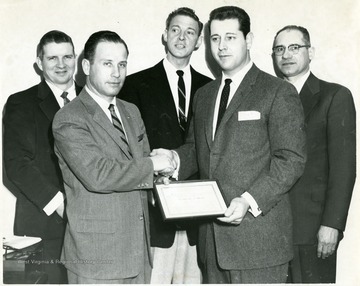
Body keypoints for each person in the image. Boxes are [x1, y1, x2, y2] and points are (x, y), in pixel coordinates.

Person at [152, 6, 307, 284]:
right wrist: (174, 160)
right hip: (211, 244)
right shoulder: (204, 94)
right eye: (214, 39)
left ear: (248, 40)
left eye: (230, 38)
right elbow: (197, 150)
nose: (221, 46)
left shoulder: (278, 91)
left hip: (259, 244)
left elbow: (291, 159)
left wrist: (249, 200)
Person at [52, 30, 174, 284]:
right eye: (107, 64)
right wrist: (153, 165)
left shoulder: (131, 111)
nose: (116, 73)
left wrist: (161, 178)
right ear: (86, 66)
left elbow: (141, 169)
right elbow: (99, 175)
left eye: (122, 64)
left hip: (138, 252)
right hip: (96, 258)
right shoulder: (69, 118)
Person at [119, 7, 211, 284]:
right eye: (175, 30)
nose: (182, 37)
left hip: (199, 217)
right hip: (154, 213)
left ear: (198, 42)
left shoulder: (212, 89)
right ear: (164, 35)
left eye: (190, 32)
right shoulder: (134, 84)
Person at [272, 25, 356, 283]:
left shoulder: (334, 96)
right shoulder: (267, 97)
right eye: (279, 49)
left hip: (314, 230)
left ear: (311, 52)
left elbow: (344, 169)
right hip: (271, 228)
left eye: (294, 47)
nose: (286, 54)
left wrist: (333, 224)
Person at [3, 30, 81, 284]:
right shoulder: (20, 103)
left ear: (76, 59)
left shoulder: (95, 99)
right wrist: (61, 206)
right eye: (52, 58)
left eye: (67, 57)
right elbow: (15, 167)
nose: (61, 65)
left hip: (93, 229)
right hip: (43, 229)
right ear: (39, 63)